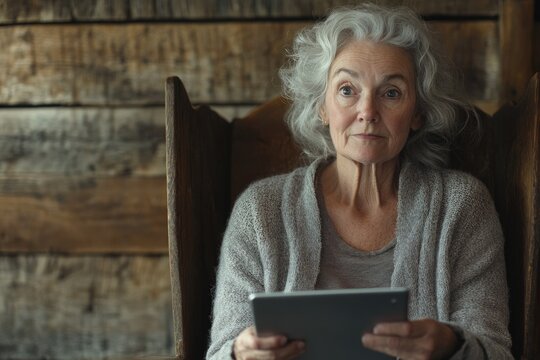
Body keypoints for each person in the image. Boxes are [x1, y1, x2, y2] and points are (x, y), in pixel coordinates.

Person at [206, 4, 512, 360]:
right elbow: (220, 353)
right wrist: (241, 353)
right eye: (347, 90)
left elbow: (496, 351)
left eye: (391, 93)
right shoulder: (260, 212)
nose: (367, 111)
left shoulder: (462, 206)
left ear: (417, 113)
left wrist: (450, 346)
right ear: (322, 106)